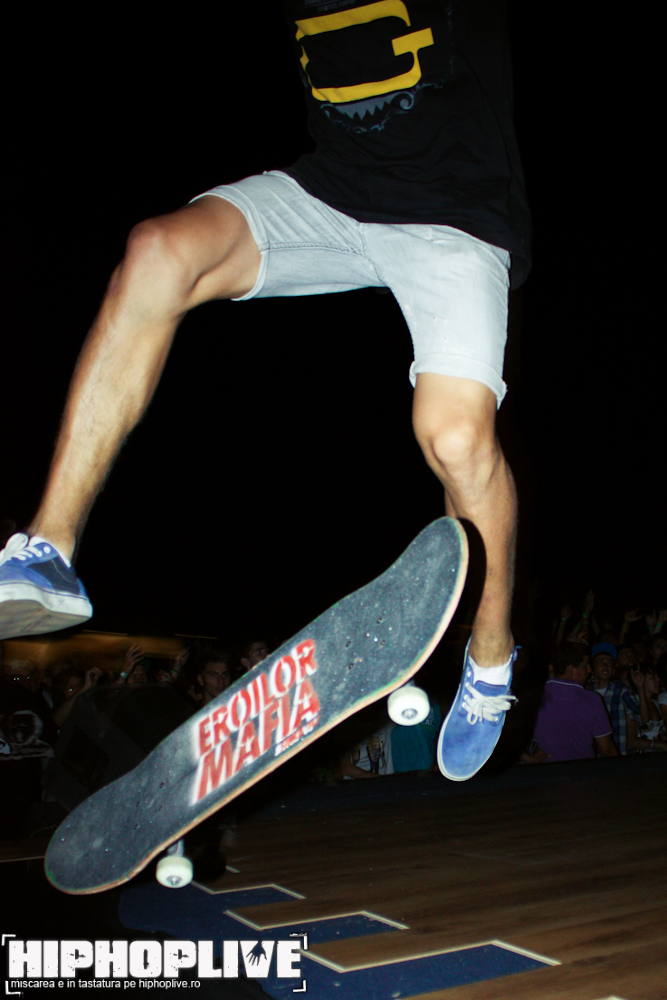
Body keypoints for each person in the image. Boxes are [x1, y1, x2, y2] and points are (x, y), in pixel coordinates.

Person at [0, 2, 529, 782]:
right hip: (330, 190)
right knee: (157, 251)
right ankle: (48, 550)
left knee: (455, 439)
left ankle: (488, 655)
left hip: (455, 211)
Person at [530, 643, 619, 762]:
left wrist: (528, 758)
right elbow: (607, 750)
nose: (590, 670)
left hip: (547, 770)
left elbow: (509, 733)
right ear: (571, 670)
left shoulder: (535, 696)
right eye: (585, 665)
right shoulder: (592, 699)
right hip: (583, 770)